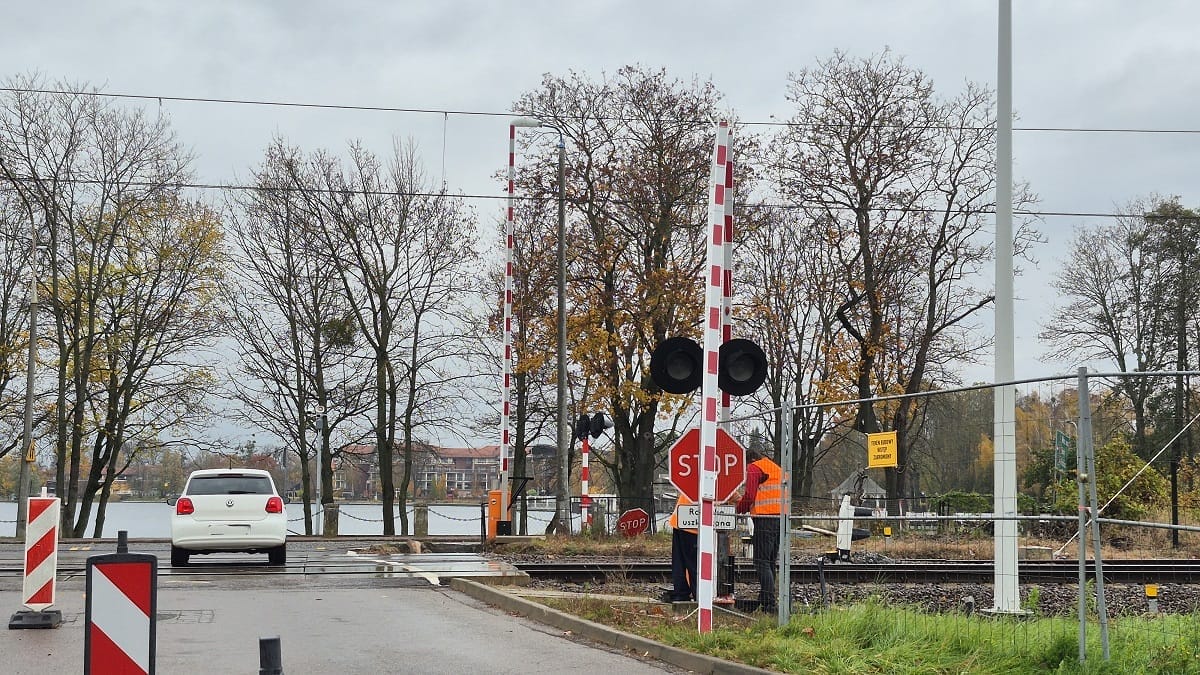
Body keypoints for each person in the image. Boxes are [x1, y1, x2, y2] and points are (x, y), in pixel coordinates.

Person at [735, 447, 782, 611]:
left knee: (761, 561)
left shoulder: (754, 468)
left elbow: (749, 495)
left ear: (748, 460)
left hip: (765, 519)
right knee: (769, 561)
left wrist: (738, 509)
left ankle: (769, 603)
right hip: (781, 519)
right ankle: (765, 597)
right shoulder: (774, 467)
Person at [667, 492, 698, 602]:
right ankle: (698, 595)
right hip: (694, 526)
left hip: (680, 519)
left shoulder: (694, 476)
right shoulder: (715, 476)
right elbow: (727, 492)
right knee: (696, 564)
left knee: (679, 561)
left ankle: (681, 594)